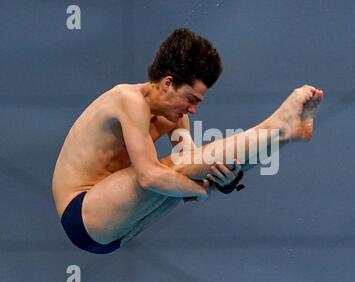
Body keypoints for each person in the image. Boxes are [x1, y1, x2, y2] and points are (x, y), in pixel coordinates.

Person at [51, 28, 323, 254]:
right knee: (170, 171)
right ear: (167, 83)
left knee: (187, 167)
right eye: (190, 99)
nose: (192, 110)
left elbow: (195, 168)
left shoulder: (174, 114)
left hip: (116, 230)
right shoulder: (128, 99)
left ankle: (285, 135)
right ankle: (275, 128)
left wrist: (223, 183)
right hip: (83, 212)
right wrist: (203, 192)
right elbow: (149, 177)